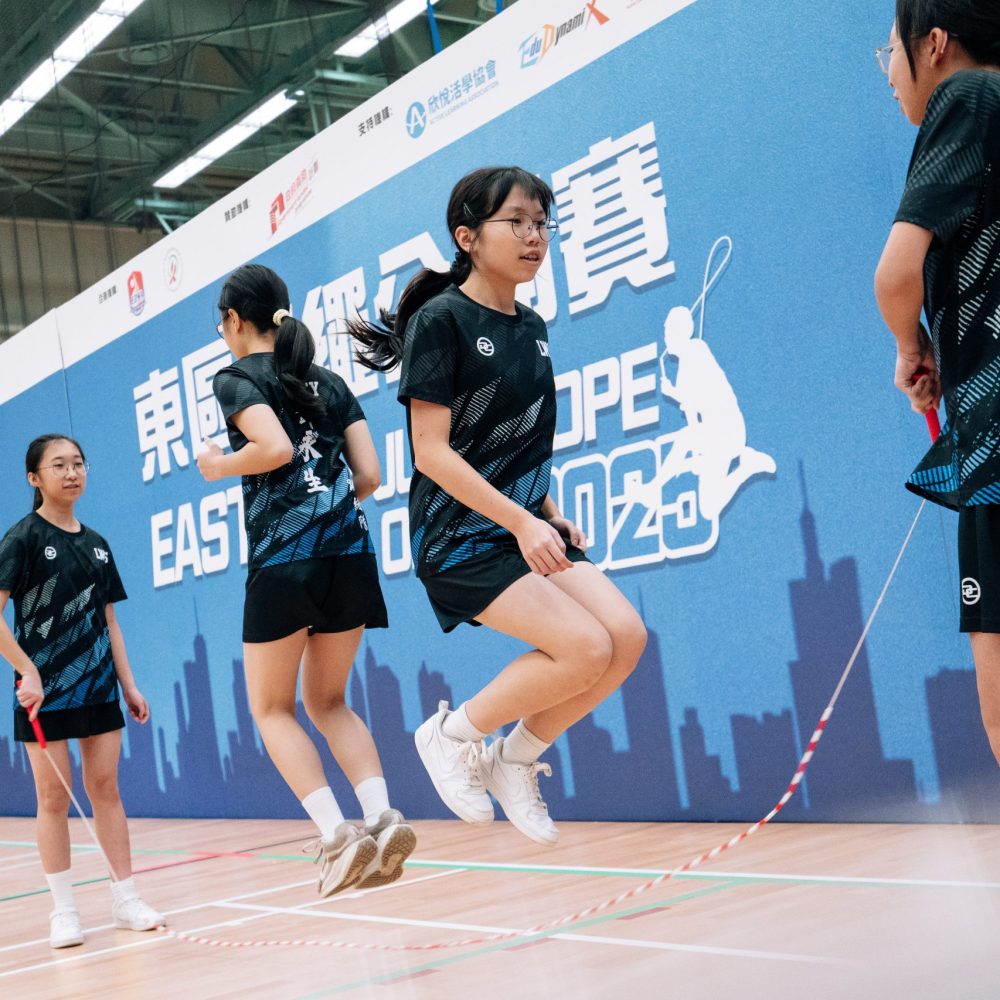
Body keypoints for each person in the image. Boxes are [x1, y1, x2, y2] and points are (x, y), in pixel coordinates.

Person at [349, 166, 648, 845]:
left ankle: (515, 760)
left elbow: (514, 435)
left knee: (624, 640)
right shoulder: (440, 320)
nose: (534, 236)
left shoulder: (533, 325)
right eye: (516, 221)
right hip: (458, 535)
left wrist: (546, 506)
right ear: (468, 236)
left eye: (542, 223)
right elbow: (432, 450)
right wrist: (519, 519)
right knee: (583, 646)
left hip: (519, 525)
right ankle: (451, 735)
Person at [198, 263, 414, 897]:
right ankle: (382, 817)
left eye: (222, 321)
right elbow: (369, 476)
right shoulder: (328, 381)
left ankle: (337, 836)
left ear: (237, 321)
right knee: (330, 701)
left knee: (271, 708)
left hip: (283, 562)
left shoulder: (237, 379)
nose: (222, 332)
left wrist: (216, 466)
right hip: (347, 557)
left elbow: (274, 450)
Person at [875, 0, 1000, 765]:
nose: (889, 74)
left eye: (890, 51)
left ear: (935, 43)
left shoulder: (970, 94)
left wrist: (907, 342)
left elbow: (895, 277)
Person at [0, 434, 163, 948]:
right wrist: (28, 671)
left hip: (98, 689)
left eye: (77, 464)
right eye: (58, 466)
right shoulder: (22, 539)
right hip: (43, 694)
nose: (71, 473)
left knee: (106, 790)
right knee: (52, 799)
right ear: (35, 478)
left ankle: (126, 898)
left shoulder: (97, 543)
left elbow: (109, 621)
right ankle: (64, 911)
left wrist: (129, 685)